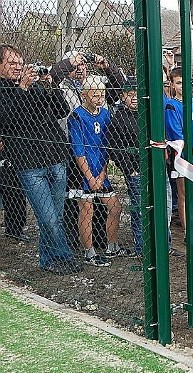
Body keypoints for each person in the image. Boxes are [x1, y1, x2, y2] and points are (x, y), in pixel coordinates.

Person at [0, 44, 81, 274]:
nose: (17, 67)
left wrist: (50, 85)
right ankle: (64, 257)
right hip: (28, 163)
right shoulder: (7, 90)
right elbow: (6, 118)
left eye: (19, 62)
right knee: (49, 218)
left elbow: (60, 110)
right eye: (11, 63)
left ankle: (48, 260)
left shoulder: (34, 86)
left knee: (55, 214)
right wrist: (22, 88)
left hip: (55, 156)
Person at [69, 75, 132, 266]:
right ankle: (89, 252)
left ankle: (112, 246)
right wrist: (90, 177)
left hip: (100, 169)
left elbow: (107, 146)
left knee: (115, 206)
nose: (100, 98)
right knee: (87, 208)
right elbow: (78, 151)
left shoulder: (105, 115)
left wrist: (101, 175)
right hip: (82, 172)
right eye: (95, 95)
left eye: (102, 94)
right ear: (84, 95)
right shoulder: (77, 116)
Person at [165, 67, 193, 246]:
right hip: (183, 157)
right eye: (178, 83)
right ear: (172, 84)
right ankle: (187, 233)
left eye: (184, 82)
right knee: (184, 195)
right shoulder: (171, 106)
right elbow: (178, 136)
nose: (182, 86)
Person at [108, 78, 143, 256]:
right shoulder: (118, 119)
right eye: (130, 95)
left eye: (137, 94)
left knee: (161, 206)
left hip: (152, 168)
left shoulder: (147, 113)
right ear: (123, 97)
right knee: (139, 208)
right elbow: (115, 149)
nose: (134, 98)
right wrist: (130, 169)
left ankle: (163, 243)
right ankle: (142, 247)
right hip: (135, 170)